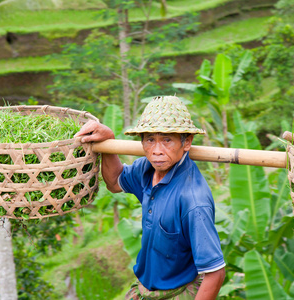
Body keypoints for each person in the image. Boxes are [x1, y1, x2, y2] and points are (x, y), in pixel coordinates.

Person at [75, 96, 225, 300]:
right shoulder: (146, 168)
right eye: (150, 139)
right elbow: (114, 182)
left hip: (178, 291)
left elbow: (215, 273)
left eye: (167, 140)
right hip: (145, 288)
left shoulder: (192, 200)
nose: (156, 151)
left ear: (186, 142)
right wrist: (107, 139)